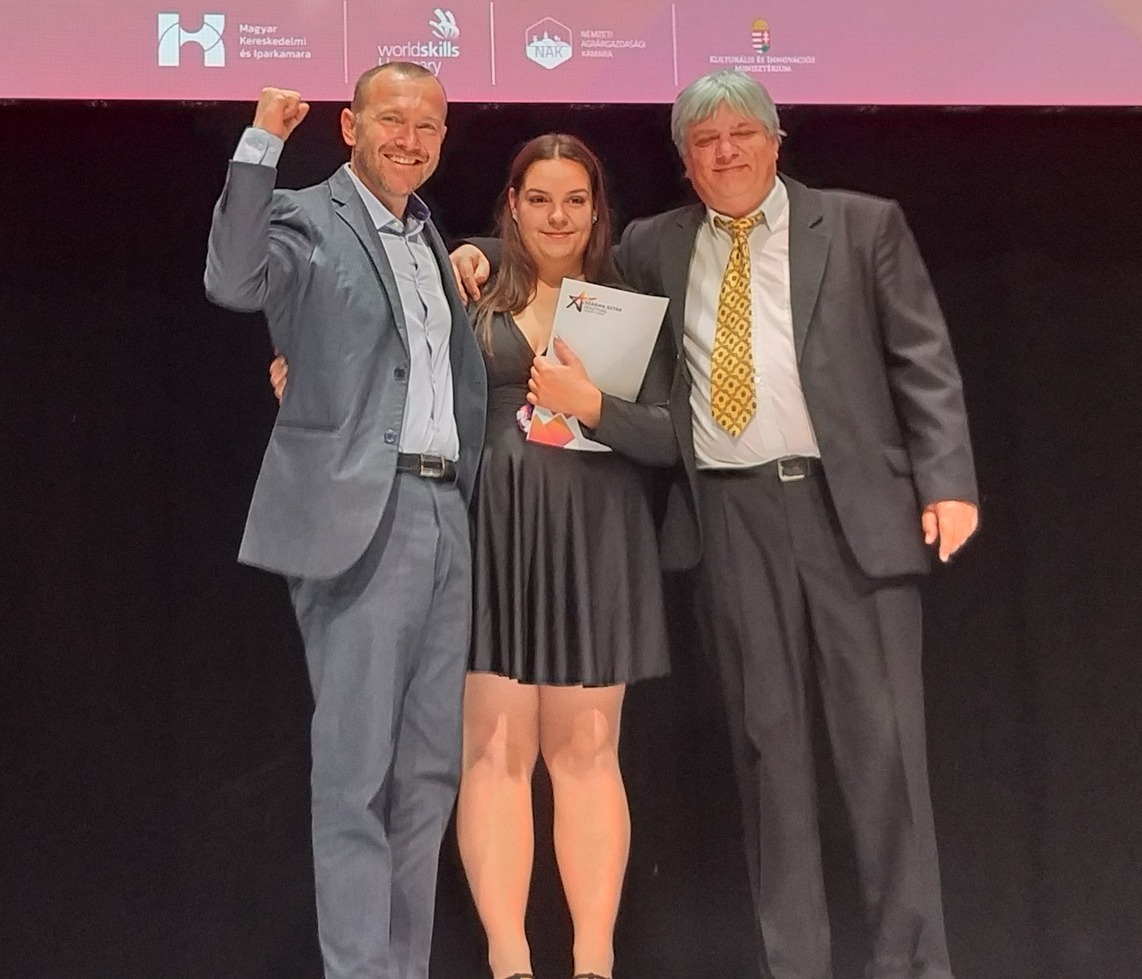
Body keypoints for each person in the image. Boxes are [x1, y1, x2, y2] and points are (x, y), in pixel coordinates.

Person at [455, 70, 979, 979]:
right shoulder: (657, 245)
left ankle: (911, 966)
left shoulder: (861, 225)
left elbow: (922, 358)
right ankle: (796, 968)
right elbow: (552, 248)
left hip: (848, 512)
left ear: (777, 141)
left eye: (742, 133)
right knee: (770, 754)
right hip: (730, 517)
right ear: (685, 163)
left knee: (885, 750)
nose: (726, 152)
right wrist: (468, 251)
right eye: (705, 141)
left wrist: (949, 481)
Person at [204, 63, 487, 979]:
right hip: (365, 514)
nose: (411, 138)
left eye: (428, 125)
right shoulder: (305, 216)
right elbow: (234, 280)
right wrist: (261, 144)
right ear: (350, 125)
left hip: (446, 512)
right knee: (356, 774)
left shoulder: (427, 233)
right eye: (392, 119)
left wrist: (470, 257)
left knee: (429, 775)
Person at [459, 134, 675, 979]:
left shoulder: (630, 302)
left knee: (587, 749)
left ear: (597, 209)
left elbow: (672, 435)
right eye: (541, 199)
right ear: (513, 205)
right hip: (495, 528)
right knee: (495, 748)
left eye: (575, 200)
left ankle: (593, 962)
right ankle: (509, 960)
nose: (558, 216)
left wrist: (593, 405)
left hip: (596, 530)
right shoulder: (467, 286)